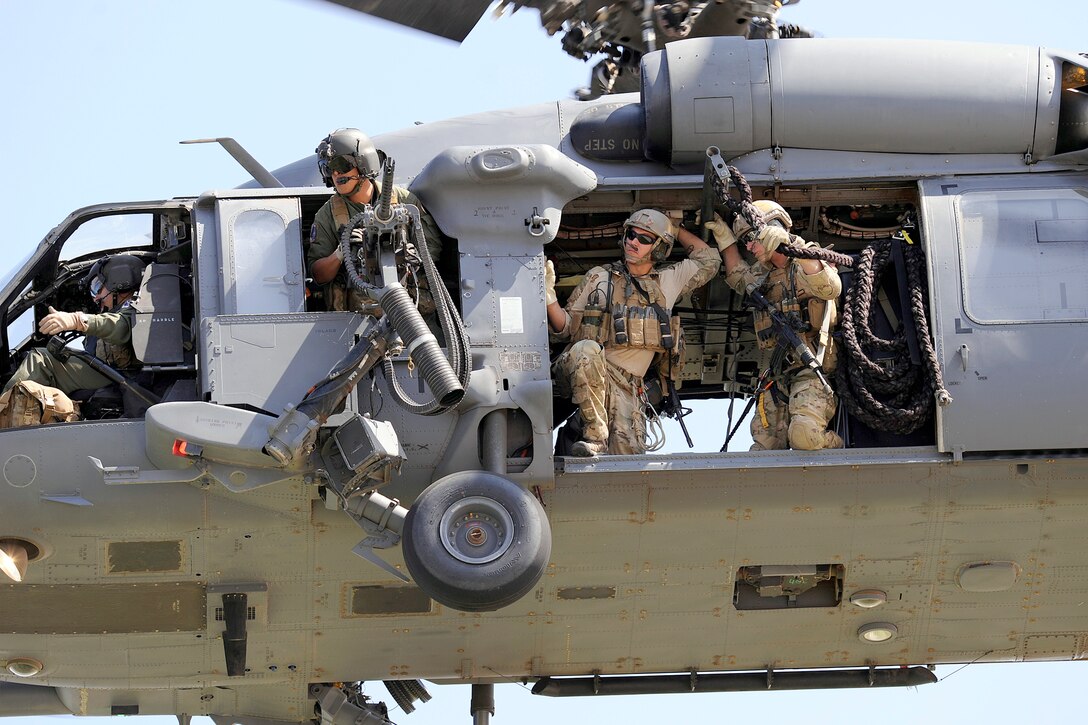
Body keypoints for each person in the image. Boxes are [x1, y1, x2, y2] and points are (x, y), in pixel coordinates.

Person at [546, 209, 721, 456]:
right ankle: (595, 434)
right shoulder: (600, 277)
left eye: (644, 238)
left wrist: (673, 227)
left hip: (629, 389)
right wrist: (548, 296)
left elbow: (709, 261)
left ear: (660, 248)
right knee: (586, 350)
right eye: (631, 234)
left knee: (625, 459)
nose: (633, 241)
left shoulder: (667, 282)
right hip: (587, 372)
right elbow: (564, 328)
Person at [708, 200, 844, 450]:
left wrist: (790, 243)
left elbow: (830, 286)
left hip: (811, 372)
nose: (749, 247)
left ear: (771, 230)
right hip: (776, 377)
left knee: (804, 436)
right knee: (762, 450)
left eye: (752, 238)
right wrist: (725, 239)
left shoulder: (806, 262)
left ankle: (837, 445)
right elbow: (739, 276)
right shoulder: (762, 275)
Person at [307, 128, 443, 314]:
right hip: (356, 321)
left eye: (342, 165)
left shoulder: (405, 201)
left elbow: (433, 253)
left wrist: (411, 260)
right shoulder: (327, 215)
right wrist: (339, 254)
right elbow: (318, 275)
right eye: (329, 168)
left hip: (410, 312)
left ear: (363, 164)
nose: (336, 174)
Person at [3, 254, 146, 396]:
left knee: (41, 361)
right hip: (113, 377)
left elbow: (121, 327)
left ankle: (4, 410)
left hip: (126, 380)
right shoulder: (116, 312)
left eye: (98, 287)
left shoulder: (140, 308)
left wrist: (76, 320)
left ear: (119, 280)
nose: (96, 297)